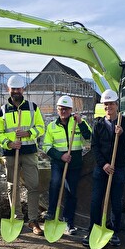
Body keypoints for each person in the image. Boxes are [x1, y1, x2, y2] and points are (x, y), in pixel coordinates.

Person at [0, 75, 45, 235]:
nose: (16, 91)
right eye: (13, 89)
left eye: (18, 88)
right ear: (8, 90)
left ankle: (33, 220)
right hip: (10, 153)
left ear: (23, 89)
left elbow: (41, 128)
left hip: (29, 152)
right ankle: (17, 217)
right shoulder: (2, 110)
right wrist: (9, 143)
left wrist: (28, 133)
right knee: (12, 186)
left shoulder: (32, 107)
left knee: (33, 186)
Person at [82, 89, 125, 247]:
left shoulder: (124, 122)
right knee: (96, 200)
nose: (108, 107)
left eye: (111, 104)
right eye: (106, 104)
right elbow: (94, 147)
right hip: (102, 167)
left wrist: (123, 134)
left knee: (116, 201)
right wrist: (104, 164)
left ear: (117, 105)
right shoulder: (98, 124)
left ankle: (113, 232)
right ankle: (93, 229)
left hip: (118, 167)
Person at [43, 95, 92, 235]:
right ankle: (52, 212)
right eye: (61, 109)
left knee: (71, 192)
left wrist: (81, 123)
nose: (63, 111)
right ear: (57, 110)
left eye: (66, 109)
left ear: (71, 110)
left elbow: (89, 137)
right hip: (58, 162)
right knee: (55, 183)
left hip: (74, 163)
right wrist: (61, 156)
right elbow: (46, 146)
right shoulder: (52, 126)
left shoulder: (78, 123)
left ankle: (68, 222)